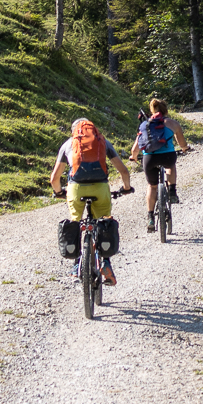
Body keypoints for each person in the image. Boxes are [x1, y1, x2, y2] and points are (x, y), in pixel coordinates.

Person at [50, 118, 132, 284]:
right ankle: (106, 262)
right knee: (104, 222)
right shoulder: (103, 141)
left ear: (74, 131)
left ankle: (75, 266)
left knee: (75, 223)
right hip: (100, 188)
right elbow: (123, 170)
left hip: (76, 189)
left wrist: (59, 192)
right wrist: (126, 188)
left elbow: (54, 178)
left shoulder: (68, 144)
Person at [129, 97, 190, 231]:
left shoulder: (145, 125)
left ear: (152, 110)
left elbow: (135, 149)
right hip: (167, 156)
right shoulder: (173, 124)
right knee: (171, 166)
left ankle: (150, 217)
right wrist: (185, 148)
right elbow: (182, 143)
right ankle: (172, 191)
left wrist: (133, 157)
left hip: (149, 158)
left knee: (152, 186)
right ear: (165, 110)